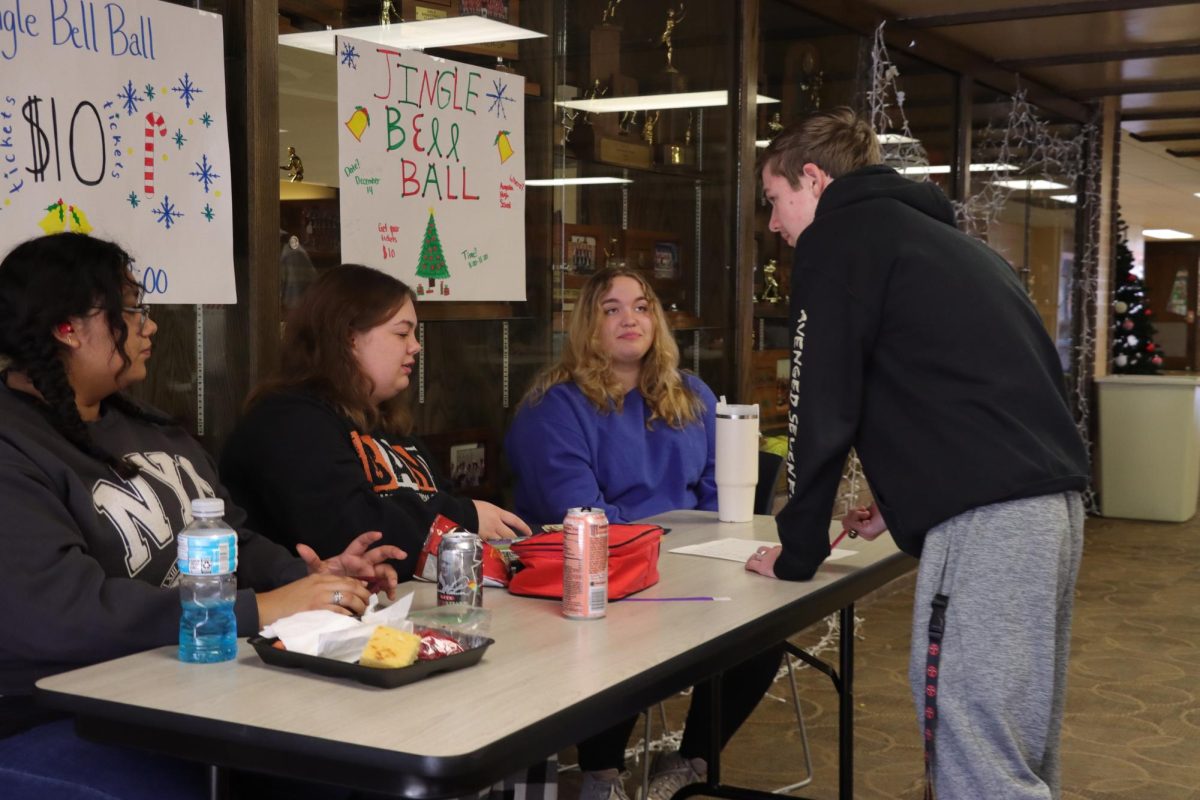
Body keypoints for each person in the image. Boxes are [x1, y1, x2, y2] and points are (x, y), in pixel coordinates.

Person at [746, 107, 1089, 800]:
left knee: (973, 747)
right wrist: (906, 496)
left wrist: (797, 548)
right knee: (1017, 746)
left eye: (775, 202)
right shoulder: (947, 243)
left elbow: (821, 403)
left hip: (990, 524)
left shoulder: (837, 240)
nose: (775, 227)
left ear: (812, 179)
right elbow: (963, 390)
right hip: (1053, 510)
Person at [0, 233, 404, 798]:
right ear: (67, 328)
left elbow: (228, 534)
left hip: (199, 682)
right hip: (66, 710)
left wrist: (313, 580)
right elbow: (63, 613)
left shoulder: (148, 425)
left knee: (368, 749)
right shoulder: (15, 444)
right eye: (132, 310)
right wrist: (257, 610)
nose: (150, 326)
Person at [506, 267, 781, 800]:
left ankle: (692, 762)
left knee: (761, 634)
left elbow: (717, 493)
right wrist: (666, 550)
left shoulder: (691, 394)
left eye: (642, 305)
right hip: (603, 577)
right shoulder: (555, 407)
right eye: (611, 309)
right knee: (630, 633)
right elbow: (583, 515)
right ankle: (601, 775)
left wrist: (696, 550)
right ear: (588, 325)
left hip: (690, 566)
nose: (630, 318)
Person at [221, 264, 530, 583]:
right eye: (401, 333)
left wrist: (453, 519)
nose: (416, 346)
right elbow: (360, 533)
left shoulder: (386, 423)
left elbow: (438, 498)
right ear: (349, 336)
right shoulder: (287, 422)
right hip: (311, 621)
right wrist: (464, 518)